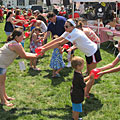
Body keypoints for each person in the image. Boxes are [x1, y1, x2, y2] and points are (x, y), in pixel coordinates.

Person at [0, 28, 40, 107]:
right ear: (16, 37)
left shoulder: (16, 43)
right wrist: (37, 55)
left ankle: (5, 97)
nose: (23, 37)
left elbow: (24, 53)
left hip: (2, 65)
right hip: (1, 65)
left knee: (2, 82)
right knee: (0, 83)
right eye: (22, 35)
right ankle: (3, 101)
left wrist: (36, 54)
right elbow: (24, 56)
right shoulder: (15, 45)